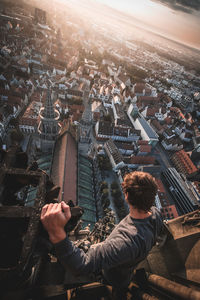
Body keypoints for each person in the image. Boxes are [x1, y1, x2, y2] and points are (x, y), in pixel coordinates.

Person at [41, 171, 163, 297]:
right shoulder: (155, 214)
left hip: (109, 278)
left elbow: (80, 265)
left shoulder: (125, 242)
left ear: (126, 195)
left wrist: (57, 233)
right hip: (125, 272)